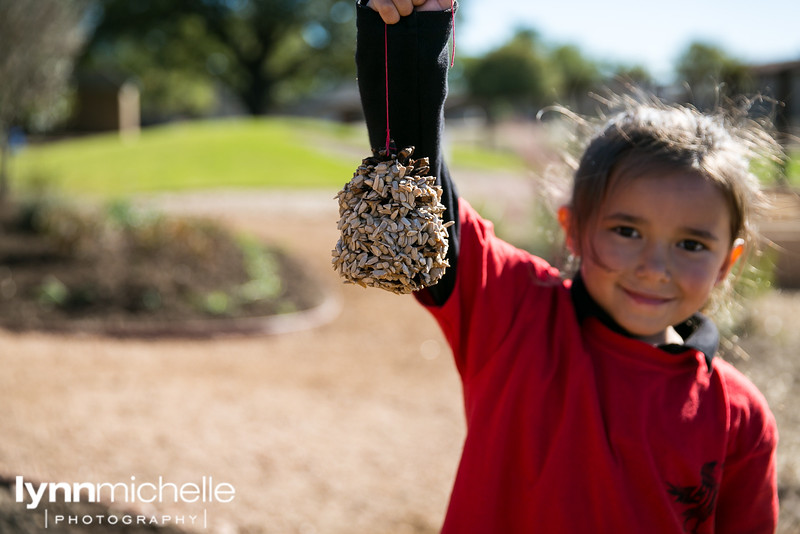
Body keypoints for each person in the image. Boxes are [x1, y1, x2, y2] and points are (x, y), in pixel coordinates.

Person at [354, 1, 780, 532]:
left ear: (727, 263)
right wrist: (413, 29)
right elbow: (417, 204)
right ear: (573, 229)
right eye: (626, 232)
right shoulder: (513, 314)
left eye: (691, 244)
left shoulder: (739, 417)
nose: (654, 267)